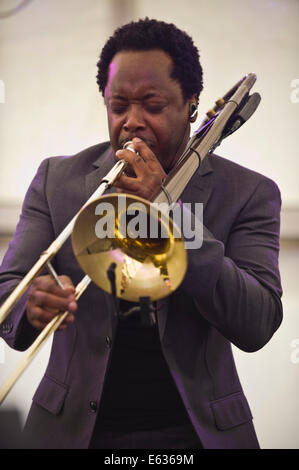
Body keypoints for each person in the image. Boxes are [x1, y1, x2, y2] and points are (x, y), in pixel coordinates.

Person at [0, 18, 282, 449]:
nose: (132, 122)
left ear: (191, 103)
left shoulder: (249, 193)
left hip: (197, 434)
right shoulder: (57, 179)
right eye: (118, 107)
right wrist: (30, 304)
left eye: (152, 105)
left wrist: (170, 213)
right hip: (71, 431)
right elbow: (9, 293)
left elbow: (257, 322)